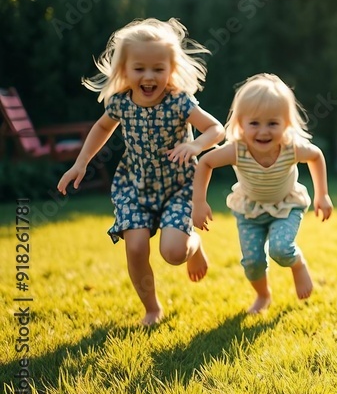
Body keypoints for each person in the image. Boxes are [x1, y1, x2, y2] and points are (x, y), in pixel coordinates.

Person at [57, 17, 225, 326]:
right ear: (124, 69)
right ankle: (152, 308)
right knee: (135, 246)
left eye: (158, 69)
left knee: (173, 253)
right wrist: (80, 163)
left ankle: (194, 245)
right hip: (135, 188)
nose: (149, 76)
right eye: (140, 69)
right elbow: (101, 128)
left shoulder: (179, 102)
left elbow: (216, 129)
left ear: (170, 70)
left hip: (178, 188)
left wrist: (195, 146)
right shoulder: (120, 103)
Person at [192, 73, 333, 314]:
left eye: (272, 123)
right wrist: (199, 203)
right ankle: (263, 295)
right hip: (249, 210)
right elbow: (205, 163)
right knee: (252, 263)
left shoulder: (291, 148)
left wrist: (322, 195)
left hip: (286, 206)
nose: (263, 131)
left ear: (286, 124)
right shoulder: (237, 150)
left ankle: (298, 264)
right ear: (240, 124)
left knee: (281, 249)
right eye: (254, 123)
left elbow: (316, 156)